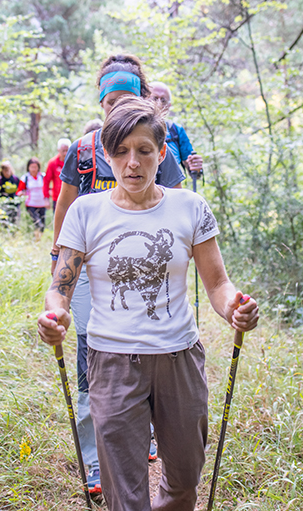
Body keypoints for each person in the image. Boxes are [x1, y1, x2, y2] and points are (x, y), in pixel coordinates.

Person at [38, 97, 259, 510]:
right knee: (124, 488)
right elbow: (59, 289)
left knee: (184, 480)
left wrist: (235, 308)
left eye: (143, 151)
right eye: (120, 152)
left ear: (162, 153)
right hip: (113, 361)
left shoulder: (190, 207)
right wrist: (55, 315)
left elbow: (218, 285)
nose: (132, 163)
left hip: (179, 358)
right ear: (106, 156)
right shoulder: (85, 212)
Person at [51, 54, 186, 495]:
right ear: (102, 103)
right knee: (93, 351)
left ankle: (141, 426)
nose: (117, 106)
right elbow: (65, 206)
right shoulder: (85, 149)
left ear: (143, 98)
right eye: (110, 100)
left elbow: (178, 210)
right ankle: (96, 459)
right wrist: (61, 272)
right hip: (91, 269)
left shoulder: (154, 146)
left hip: (148, 269)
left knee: (147, 347)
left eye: (126, 97)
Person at [149, 82, 203, 176]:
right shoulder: (134, 128)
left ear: (169, 106)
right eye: (154, 98)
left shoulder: (176, 130)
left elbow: (192, 169)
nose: (158, 104)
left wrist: (196, 167)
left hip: (171, 187)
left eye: (163, 100)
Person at [16, 157, 48, 237]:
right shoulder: (25, 178)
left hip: (42, 204)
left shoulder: (43, 177)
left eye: (35, 167)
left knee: (42, 225)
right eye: (32, 167)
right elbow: (19, 191)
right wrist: (22, 193)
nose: (33, 169)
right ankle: (35, 238)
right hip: (31, 204)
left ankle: (40, 239)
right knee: (37, 223)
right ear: (28, 167)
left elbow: (47, 188)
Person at [44, 138, 70, 213]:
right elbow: (46, 181)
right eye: (63, 151)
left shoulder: (74, 162)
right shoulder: (53, 163)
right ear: (58, 150)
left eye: (67, 150)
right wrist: (46, 198)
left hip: (71, 197)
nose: (65, 153)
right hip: (57, 198)